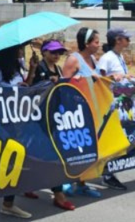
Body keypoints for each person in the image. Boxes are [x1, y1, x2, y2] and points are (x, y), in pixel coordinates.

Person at [0, 43, 38, 218]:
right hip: (1, 122)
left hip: (16, 120)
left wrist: (32, 69)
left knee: (15, 160)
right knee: (2, 160)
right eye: (20, 48)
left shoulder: (16, 67)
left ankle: (8, 204)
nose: (22, 51)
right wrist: (12, 89)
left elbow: (25, 86)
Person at [31, 40, 77, 210]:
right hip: (39, 119)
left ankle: (28, 186)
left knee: (38, 156)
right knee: (53, 156)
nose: (57, 55)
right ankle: (58, 195)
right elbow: (30, 89)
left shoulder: (57, 68)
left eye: (59, 52)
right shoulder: (40, 68)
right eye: (53, 52)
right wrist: (44, 81)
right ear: (44, 53)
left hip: (54, 118)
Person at [60, 27, 105, 198]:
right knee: (74, 149)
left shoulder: (93, 59)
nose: (98, 45)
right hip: (75, 113)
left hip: (93, 111)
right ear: (86, 44)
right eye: (96, 42)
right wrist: (75, 82)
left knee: (89, 150)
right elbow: (63, 87)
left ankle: (82, 183)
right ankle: (65, 181)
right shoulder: (73, 60)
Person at [91, 28, 130, 191]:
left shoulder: (119, 57)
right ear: (118, 40)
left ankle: (112, 170)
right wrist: (114, 78)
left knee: (125, 137)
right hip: (111, 105)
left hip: (123, 104)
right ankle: (107, 174)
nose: (129, 41)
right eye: (126, 38)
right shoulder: (107, 58)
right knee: (112, 139)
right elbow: (98, 81)